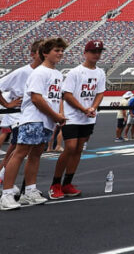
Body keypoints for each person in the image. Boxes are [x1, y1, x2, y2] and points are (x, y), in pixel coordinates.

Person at [0, 37, 68, 210]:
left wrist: (58, 115)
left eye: (61, 51)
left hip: (46, 120)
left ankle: (29, 191)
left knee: (36, 154)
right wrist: (56, 115)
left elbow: (55, 98)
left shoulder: (58, 74)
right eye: (56, 51)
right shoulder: (39, 72)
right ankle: (6, 194)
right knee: (20, 153)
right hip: (33, 118)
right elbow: (36, 98)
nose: (60, 54)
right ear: (45, 53)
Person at [50, 39, 107, 199]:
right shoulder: (75, 72)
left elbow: (100, 92)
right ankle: (55, 183)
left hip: (88, 117)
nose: (96, 54)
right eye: (93, 52)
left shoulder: (100, 72)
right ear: (85, 53)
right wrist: (83, 109)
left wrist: (93, 108)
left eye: (99, 52)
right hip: (72, 116)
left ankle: (67, 182)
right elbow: (67, 94)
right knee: (70, 147)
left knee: (79, 149)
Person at [0, 40, 43, 196]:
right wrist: (7, 104)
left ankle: (5, 182)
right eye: (41, 51)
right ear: (33, 54)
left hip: (34, 116)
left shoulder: (46, 72)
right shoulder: (22, 72)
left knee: (24, 152)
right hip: (18, 116)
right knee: (16, 151)